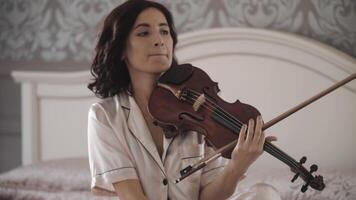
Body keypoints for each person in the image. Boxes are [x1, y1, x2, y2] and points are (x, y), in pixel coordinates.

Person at [87, 0, 279, 199]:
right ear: (121, 49)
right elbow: (132, 196)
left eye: (164, 31)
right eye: (144, 33)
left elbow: (208, 197)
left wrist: (237, 166)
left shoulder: (200, 109)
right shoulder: (104, 116)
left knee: (264, 193)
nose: (159, 40)